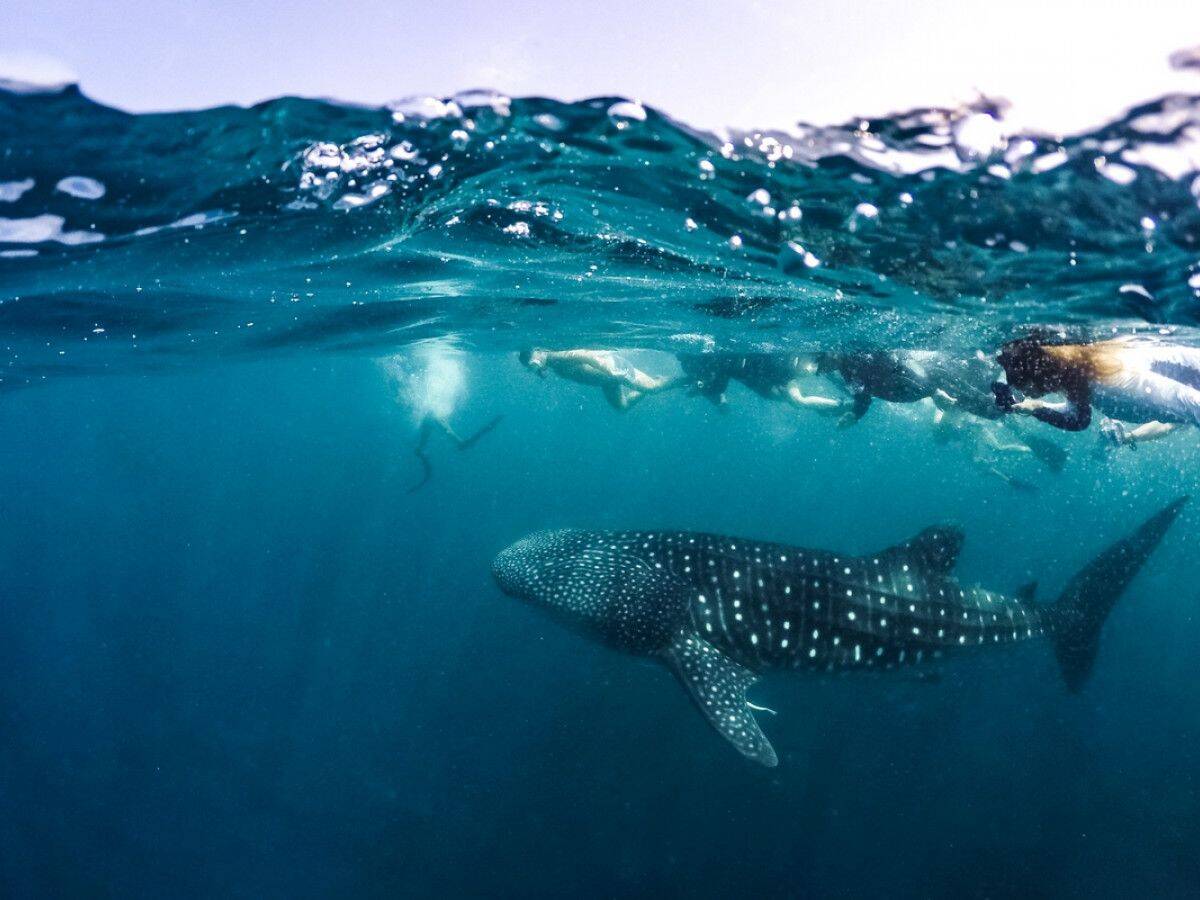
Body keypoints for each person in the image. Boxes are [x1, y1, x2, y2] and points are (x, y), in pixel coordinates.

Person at [993, 335, 1200, 446]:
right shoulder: (1081, 374)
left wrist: (1038, 408)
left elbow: (1190, 403)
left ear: (1040, 373)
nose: (1018, 388)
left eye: (1018, 381)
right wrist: (1036, 408)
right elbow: (1077, 417)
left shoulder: (1109, 387)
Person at [678, 353, 846, 413]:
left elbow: (717, 384)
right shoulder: (718, 365)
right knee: (793, 400)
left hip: (775, 372)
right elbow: (717, 384)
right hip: (764, 375)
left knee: (797, 400)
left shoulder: (718, 364)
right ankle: (835, 405)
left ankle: (839, 404)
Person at [519, 348, 676, 410]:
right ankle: (653, 381)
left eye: (533, 361)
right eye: (531, 367)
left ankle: (685, 379)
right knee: (622, 407)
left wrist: (611, 371)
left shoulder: (556, 356)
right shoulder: (552, 364)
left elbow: (586, 356)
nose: (535, 366)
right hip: (606, 382)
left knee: (653, 388)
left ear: (539, 351)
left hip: (614, 370)